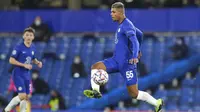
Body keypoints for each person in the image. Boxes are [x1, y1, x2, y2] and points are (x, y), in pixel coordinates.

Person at [83, 2, 163, 112]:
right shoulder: (123, 25)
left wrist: (135, 55)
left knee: (134, 93)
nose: (111, 14)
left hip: (127, 64)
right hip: (116, 61)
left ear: (120, 13)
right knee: (96, 67)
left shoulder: (127, 25)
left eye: (113, 12)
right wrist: (139, 50)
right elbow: (140, 34)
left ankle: (156, 102)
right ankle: (96, 92)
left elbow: (134, 40)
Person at [3, 27, 43, 112]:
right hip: (18, 73)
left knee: (26, 97)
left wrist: (38, 62)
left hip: (26, 75)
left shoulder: (33, 47)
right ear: (23, 36)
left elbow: (32, 58)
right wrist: (23, 65)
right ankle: (5, 110)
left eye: (30, 35)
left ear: (33, 37)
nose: (28, 36)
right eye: (27, 35)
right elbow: (11, 60)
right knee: (22, 95)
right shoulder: (19, 47)